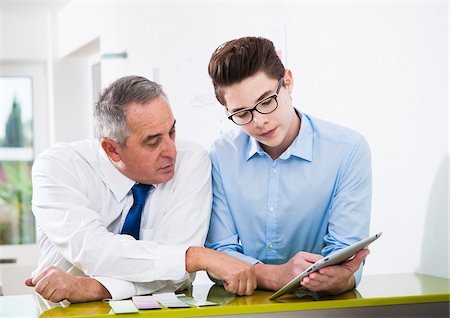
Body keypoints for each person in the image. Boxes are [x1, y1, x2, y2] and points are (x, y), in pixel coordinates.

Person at [25, 76, 256, 303]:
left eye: (172, 132)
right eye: (153, 142)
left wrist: (93, 288)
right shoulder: (58, 167)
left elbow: (177, 276)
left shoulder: (191, 161)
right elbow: (94, 251)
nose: (171, 151)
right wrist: (196, 256)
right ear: (112, 149)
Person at [205, 37, 372, 295]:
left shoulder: (348, 150)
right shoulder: (219, 156)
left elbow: (345, 253)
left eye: (266, 101)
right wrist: (274, 275)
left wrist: (342, 278)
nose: (259, 121)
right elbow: (219, 255)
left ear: (288, 82)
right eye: (241, 113)